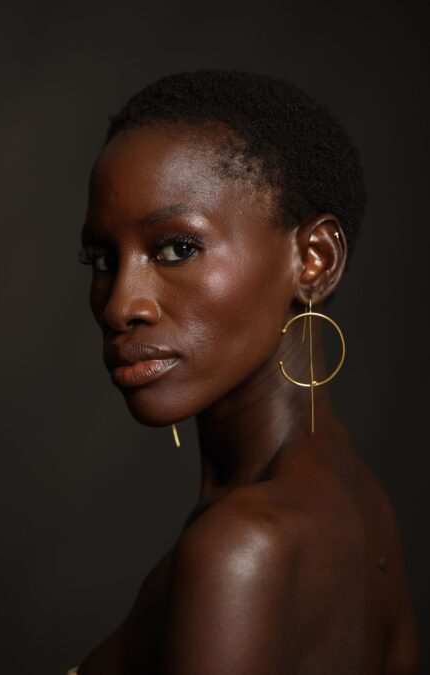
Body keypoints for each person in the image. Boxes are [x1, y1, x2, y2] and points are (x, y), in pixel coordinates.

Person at [72, 69, 418, 674]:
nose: (120, 304)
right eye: (102, 258)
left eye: (176, 248)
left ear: (314, 260)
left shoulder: (240, 550)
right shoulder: (362, 504)